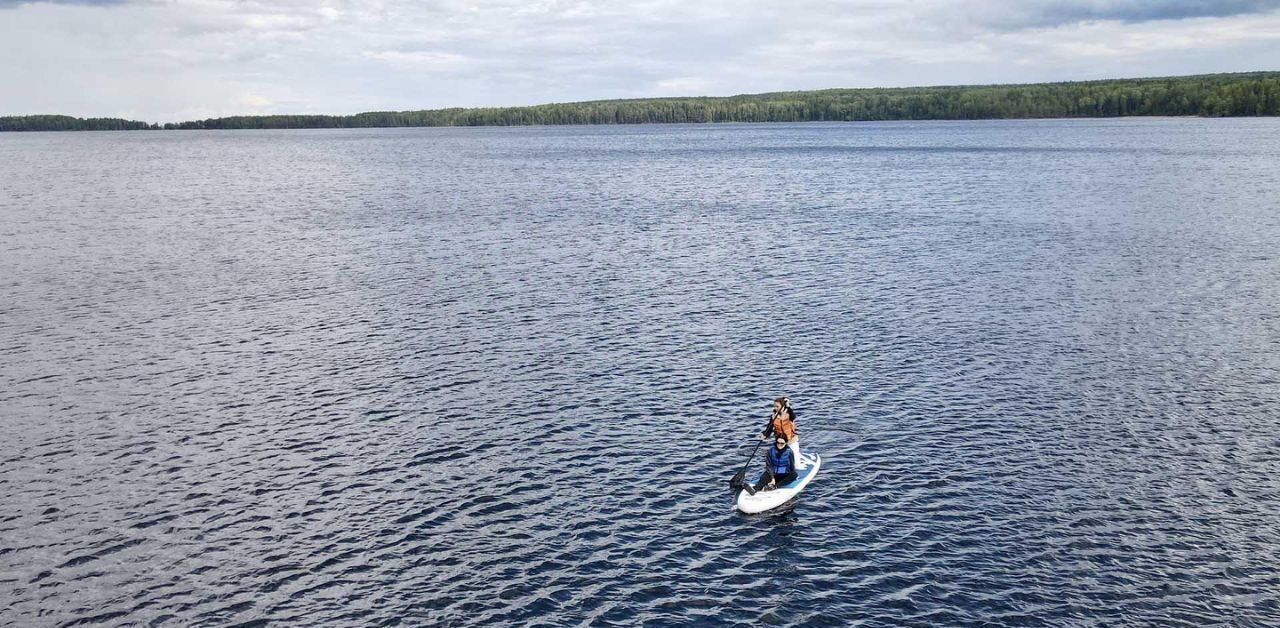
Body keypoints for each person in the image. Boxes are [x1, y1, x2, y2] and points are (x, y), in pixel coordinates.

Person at [760, 396, 806, 469]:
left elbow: (793, 417)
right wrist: (764, 435)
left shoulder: (788, 413)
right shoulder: (773, 416)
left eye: (777, 406)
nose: (775, 408)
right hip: (780, 442)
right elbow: (769, 428)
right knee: (778, 461)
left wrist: (788, 406)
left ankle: (797, 459)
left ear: (782, 406)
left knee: (796, 465)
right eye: (774, 406)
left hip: (791, 440)